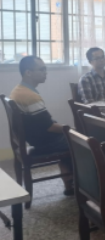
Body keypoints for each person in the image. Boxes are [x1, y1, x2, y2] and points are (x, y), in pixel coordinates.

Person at [9, 56, 73, 195]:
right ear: (28, 72)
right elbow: (49, 126)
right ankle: (80, 185)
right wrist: (70, 130)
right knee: (81, 142)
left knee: (72, 136)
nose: (46, 73)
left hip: (35, 138)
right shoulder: (30, 96)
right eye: (42, 69)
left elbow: (44, 122)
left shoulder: (18, 90)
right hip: (44, 142)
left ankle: (70, 184)